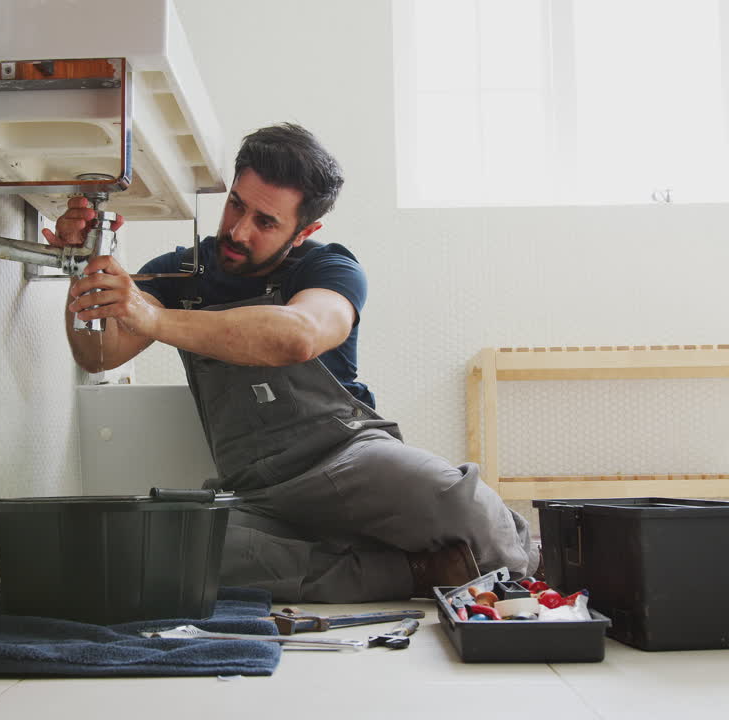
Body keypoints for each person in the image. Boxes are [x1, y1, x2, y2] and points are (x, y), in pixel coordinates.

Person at [43, 123, 538, 602]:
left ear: (305, 231)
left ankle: (509, 570)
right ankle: (409, 571)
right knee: (165, 546)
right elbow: (98, 353)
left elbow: (297, 336)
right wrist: (86, 269)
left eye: (265, 222)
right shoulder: (181, 272)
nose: (238, 230)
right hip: (255, 491)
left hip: (347, 460)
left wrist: (153, 317)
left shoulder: (330, 268)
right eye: (236, 204)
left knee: (463, 508)